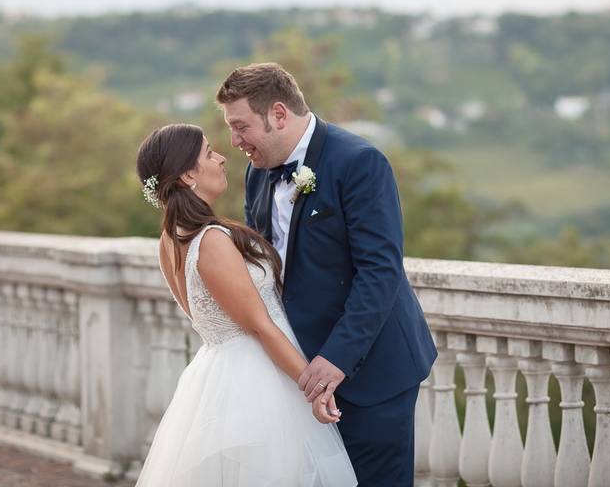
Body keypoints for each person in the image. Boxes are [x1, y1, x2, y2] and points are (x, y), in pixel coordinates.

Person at [216, 63, 437, 486]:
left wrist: (336, 357)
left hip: (372, 372)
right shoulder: (257, 173)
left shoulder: (359, 162)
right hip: (300, 379)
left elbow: (380, 270)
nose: (235, 141)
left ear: (279, 114)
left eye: (241, 126)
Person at [133, 123, 357, 486]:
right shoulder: (211, 240)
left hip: (218, 374)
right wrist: (312, 388)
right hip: (257, 381)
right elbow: (259, 325)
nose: (221, 158)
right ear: (189, 174)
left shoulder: (169, 239)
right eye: (209, 153)